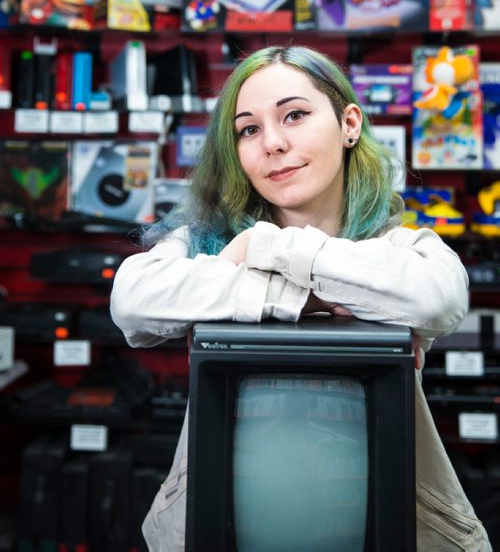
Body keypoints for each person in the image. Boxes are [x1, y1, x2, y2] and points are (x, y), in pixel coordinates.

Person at [110, 44, 491, 552]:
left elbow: (438, 299)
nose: (272, 143)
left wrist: (267, 248)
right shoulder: (206, 241)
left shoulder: (400, 247)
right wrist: (311, 297)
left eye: (295, 115)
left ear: (349, 123)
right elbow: (133, 301)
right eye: (249, 129)